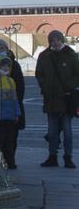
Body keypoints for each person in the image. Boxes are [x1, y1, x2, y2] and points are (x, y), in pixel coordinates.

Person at [36, 31, 79, 168]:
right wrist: (45, 86)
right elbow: (39, 74)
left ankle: (68, 157)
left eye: (57, 39)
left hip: (66, 98)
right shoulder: (44, 56)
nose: (55, 42)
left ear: (62, 40)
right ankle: (52, 156)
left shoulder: (71, 55)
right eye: (52, 40)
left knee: (67, 130)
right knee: (52, 130)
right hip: (51, 99)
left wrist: (68, 86)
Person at [0, 39, 25, 167]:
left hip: (10, 111)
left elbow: (20, 87)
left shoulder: (14, 66)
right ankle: (0, 159)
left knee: (11, 137)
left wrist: (16, 109)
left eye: (2, 47)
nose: (0, 50)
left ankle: (10, 159)